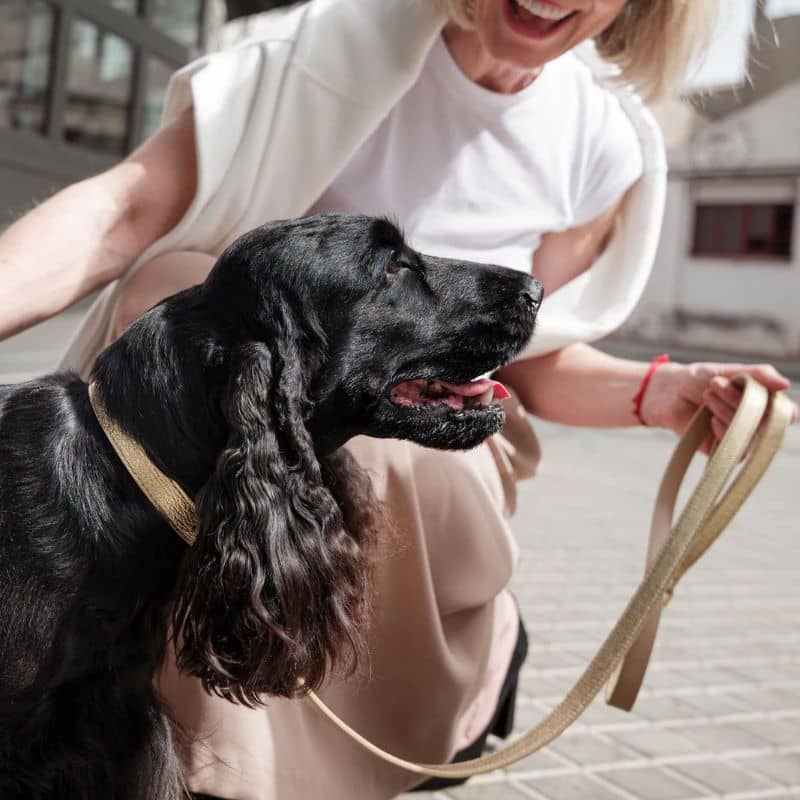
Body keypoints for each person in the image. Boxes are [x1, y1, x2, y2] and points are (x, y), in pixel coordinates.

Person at [0, 1, 796, 798]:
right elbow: (123, 212)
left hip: (428, 434)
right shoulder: (318, 50)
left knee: (369, 441)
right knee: (178, 289)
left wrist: (660, 390)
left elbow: (539, 358)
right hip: (251, 402)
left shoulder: (600, 139)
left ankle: (287, 753)